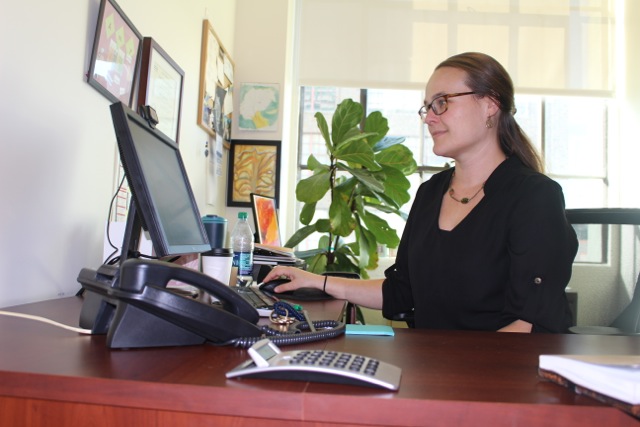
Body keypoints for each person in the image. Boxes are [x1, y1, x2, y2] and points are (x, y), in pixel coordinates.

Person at [263, 52, 578, 333]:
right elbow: (402, 292)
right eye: (427, 107)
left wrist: (455, 383)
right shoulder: (430, 193)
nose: (429, 117)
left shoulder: (535, 197)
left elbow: (528, 322)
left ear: (490, 105)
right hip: (432, 373)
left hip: (497, 383)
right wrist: (317, 282)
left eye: (442, 102)